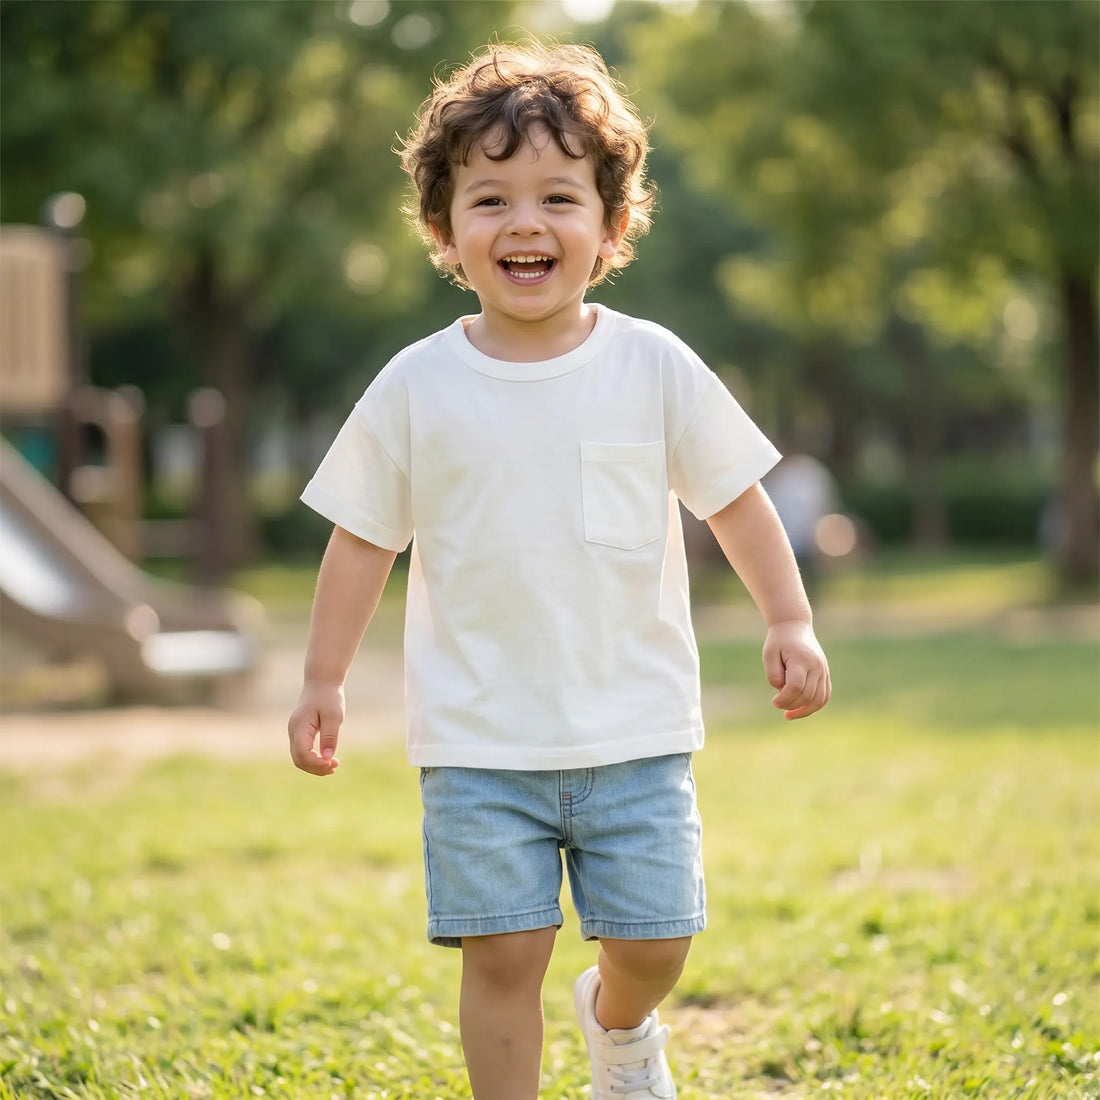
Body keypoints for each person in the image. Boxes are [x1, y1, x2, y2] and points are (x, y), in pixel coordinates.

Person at [287, 41, 830, 1100]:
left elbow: (733, 495)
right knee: (502, 954)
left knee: (657, 940)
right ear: (444, 232)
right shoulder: (416, 386)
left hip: (632, 726)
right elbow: (360, 537)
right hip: (481, 739)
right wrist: (321, 677)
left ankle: (616, 1025)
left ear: (611, 224)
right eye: (488, 198)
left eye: (556, 196)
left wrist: (788, 617)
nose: (524, 222)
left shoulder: (651, 364)